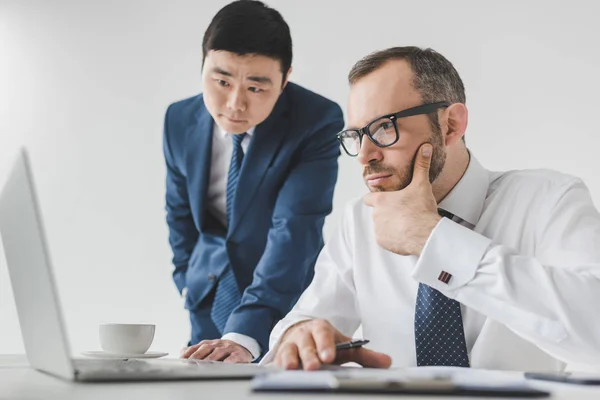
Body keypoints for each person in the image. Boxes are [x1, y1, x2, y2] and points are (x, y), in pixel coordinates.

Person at [263, 46, 600, 371]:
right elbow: (306, 322)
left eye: (383, 127)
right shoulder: (360, 221)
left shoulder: (549, 200)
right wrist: (298, 335)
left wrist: (433, 240)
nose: (365, 155)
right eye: (356, 135)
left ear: (451, 125)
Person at [163, 0, 344, 363]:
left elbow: (294, 228)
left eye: (256, 88)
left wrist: (246, 333)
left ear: (285, 78)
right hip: (206, 296)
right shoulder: (179, 119)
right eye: (221, 81)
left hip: (281, 304)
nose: (234, 103)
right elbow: (179, 213)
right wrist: (186, 281)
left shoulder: (316, 121)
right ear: (202, 64)